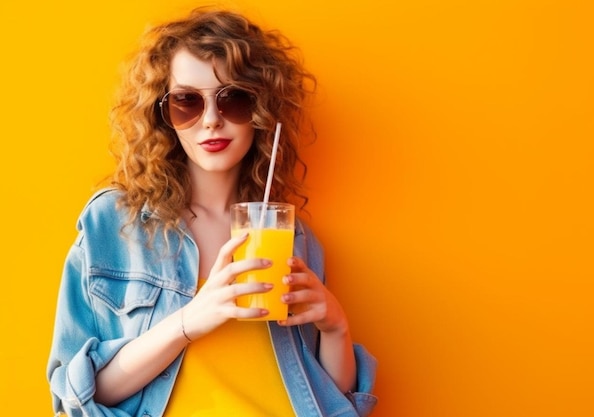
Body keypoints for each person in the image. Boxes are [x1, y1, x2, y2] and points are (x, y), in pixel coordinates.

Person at [46, 7, 378, 417]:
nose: (211, 121)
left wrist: (336, 326)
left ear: (260, 112)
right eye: (187, 101)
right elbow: (76, 396)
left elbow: (330, 397)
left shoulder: (291, 236)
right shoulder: (114, 224)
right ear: (164, 115)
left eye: (233, 99)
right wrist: (189, 321)